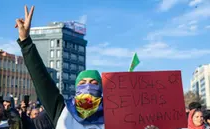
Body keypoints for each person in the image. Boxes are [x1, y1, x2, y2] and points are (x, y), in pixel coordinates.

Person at [15, 5, 158, 129]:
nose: (88, 85)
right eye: (82, 83)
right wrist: (26, 41)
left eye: (94, 82)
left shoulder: (116, 115)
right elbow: (42, 79)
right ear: (76, 88)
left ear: (101, 89)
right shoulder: (62, 110)